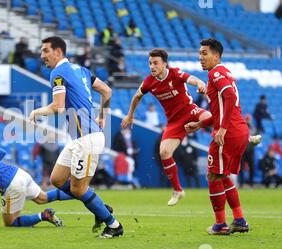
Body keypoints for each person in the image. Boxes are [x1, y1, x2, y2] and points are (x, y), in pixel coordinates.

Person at [28, 36, 122, 238]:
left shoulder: (58, 73)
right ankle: (99, 207)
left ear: (58, 52)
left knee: (79, 190)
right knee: (57, 179)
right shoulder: (81, 70)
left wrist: (36, 112)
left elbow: (58, 106)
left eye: (45, 51)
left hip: (87, 138)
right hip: (81, 138)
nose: (42, 55)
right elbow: (106, 91)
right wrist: (103, 116)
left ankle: (114, 225)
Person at [121, 48, 211, 206]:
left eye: (155, 63)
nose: (152, 66)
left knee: (209, 117)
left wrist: (200, 83)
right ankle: (178, 190)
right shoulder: (149, 82)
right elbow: (137, 96)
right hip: (174, 122)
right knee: (164, 152)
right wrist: (130, 114)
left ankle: (244, 136)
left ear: (164, 65)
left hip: (190, 111)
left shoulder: (175, 73)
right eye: (150, 63)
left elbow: (193, 80)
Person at [185, 38, 250, 235]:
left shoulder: (215, 73)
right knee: (221, 175)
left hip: (228, 133)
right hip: (239, 131)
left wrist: (222, 128)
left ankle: (220, 225)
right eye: (200, 53)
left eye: (205, 53)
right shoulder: (225, 73)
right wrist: (200, 124)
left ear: (216, 56)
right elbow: (222, 108)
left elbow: (229, 96)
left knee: (213, 175)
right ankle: (239, 220)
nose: (200, 57)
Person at [239, 114, 256, 187]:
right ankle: (242, 183)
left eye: (248, 119)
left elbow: (255, 136)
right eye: (247, 119)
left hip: (250, 150)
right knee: (241, 168)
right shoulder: (241, 126)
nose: (247, 120)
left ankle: (251, 183)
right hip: (243, 149)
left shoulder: (253, 127)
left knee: (252, 167)